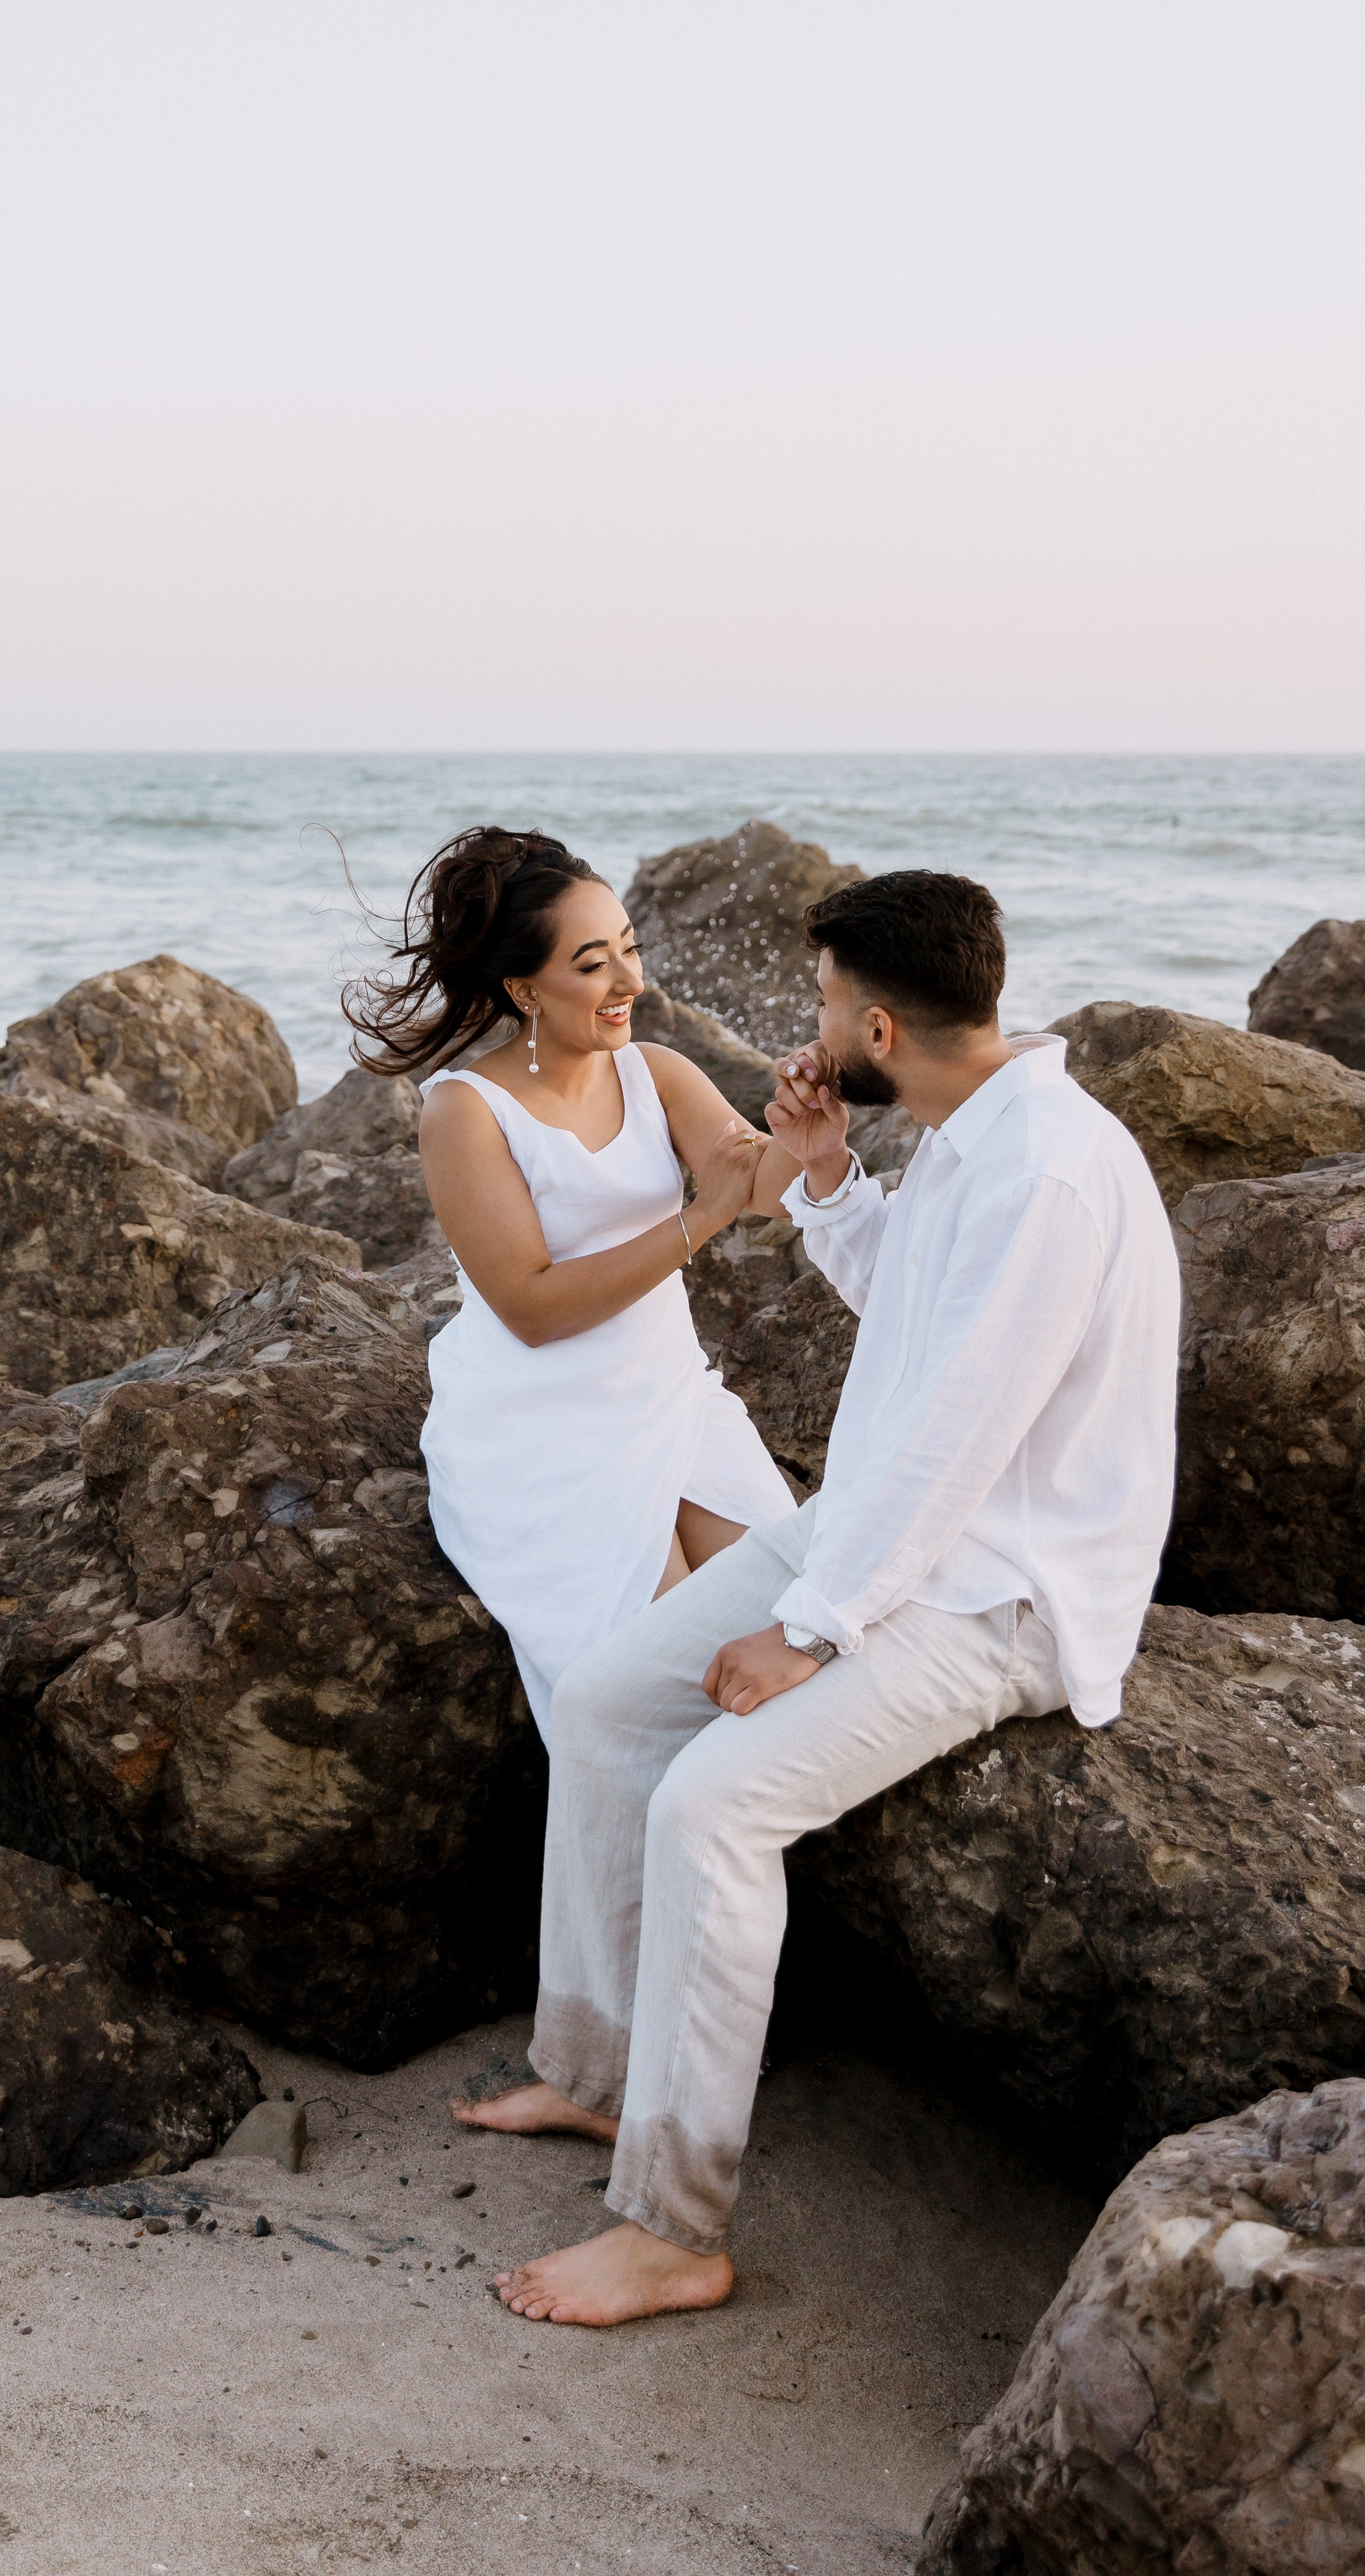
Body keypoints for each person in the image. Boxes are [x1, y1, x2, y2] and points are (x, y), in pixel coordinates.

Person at [454, 867, 1182, 2326]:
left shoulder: (1045, 1167)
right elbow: (907, 1316)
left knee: (712, 1804)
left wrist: (810, 1630)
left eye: (817, 1000)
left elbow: (962, 1424)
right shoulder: (971, 1125)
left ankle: (672, 2224)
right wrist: (827, 1172)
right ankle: (598, 2073)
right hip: (889, 1527)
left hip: (1002, 1585)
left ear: (873, 1016)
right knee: (600, 1703)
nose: (808, 1022)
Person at [344, 825, 799, 1744]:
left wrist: (810, 1128)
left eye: (630, 948)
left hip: (670, 1394)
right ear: (524, 987)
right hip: (545, 1427)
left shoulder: (658, 1072)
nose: (631, 981)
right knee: (674, 1697)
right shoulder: (465, 1111)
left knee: (797, 1618)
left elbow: (761, 1184)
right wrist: (698, 1218)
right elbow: (533, 1306)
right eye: (593, 964)